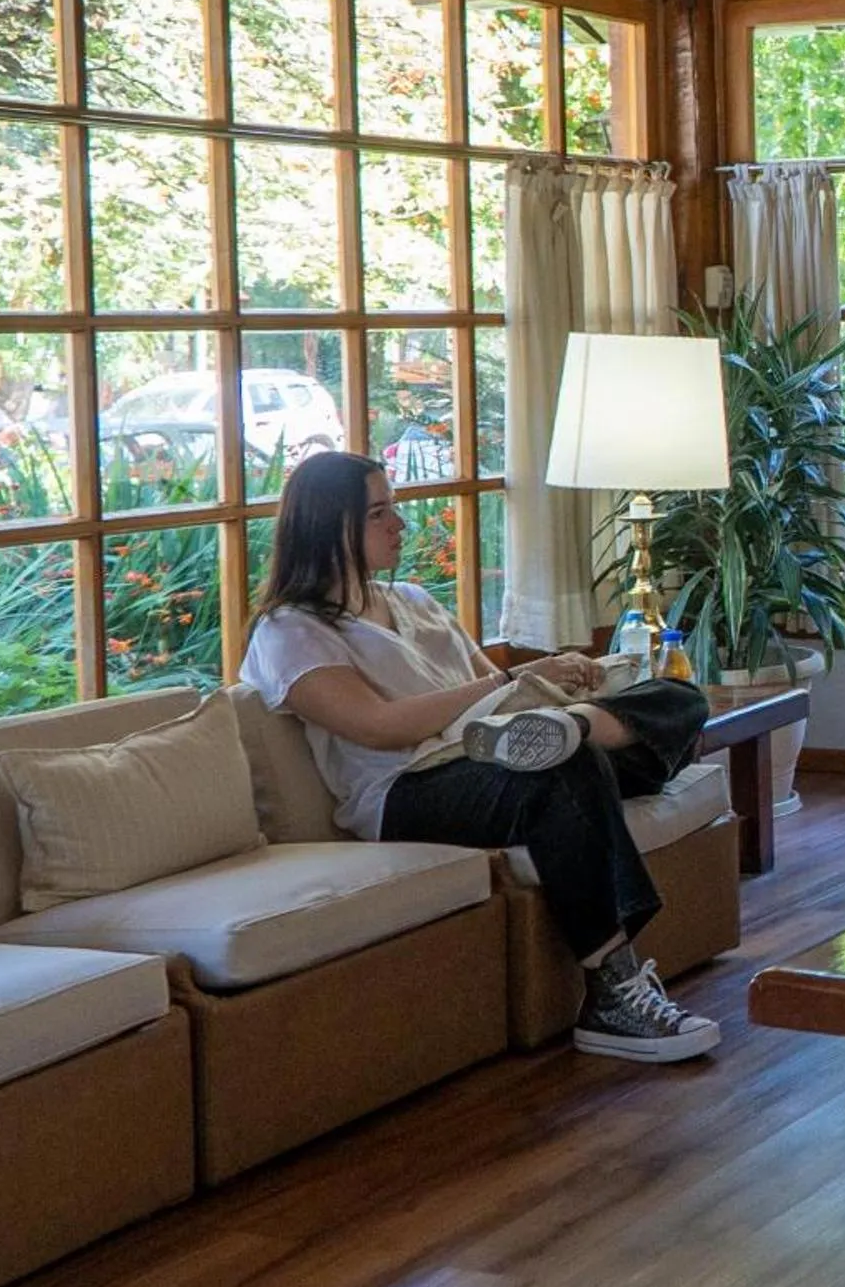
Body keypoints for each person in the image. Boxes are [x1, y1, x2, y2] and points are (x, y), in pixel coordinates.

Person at [239, 452, 722, 1064]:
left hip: (496, 749)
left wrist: (553, 684)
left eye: (396, 508)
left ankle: (571, 728)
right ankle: (611, 992)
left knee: (678, 697)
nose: (400, 525)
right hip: (408, 787)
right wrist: (514, 682)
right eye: (380, 513)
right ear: (329, 526)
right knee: (566, 769)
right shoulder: (291, 631)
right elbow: (380, 727)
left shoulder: (413, 599)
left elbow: (490, 685)